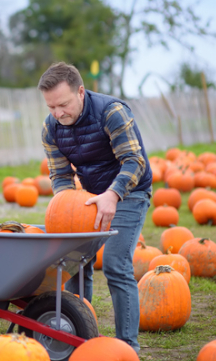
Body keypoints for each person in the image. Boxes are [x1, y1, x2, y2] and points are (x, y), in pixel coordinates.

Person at [38, 62, 152, 354]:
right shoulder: (51, 128)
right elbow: (61, 175)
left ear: (80, 91)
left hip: (129, 192)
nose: (58, 113)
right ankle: (81, 336)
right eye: (51, 107)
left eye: (63, 104)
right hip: (89, 195)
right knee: (76, 263)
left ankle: (128, 347)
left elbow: (134, 162)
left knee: (116, 264)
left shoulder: (111, 112)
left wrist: (112, 195)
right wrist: (67, 204)